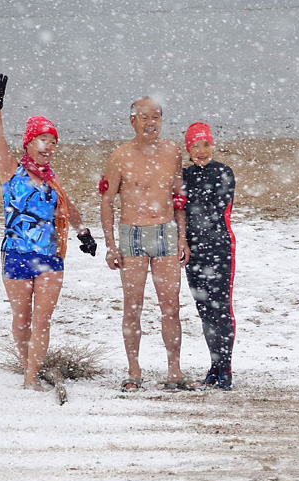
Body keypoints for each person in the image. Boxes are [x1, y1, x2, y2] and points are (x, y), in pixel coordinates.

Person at [0, 73, 97, 391]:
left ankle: (32, 376)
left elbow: (68, 207)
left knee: (42, 320)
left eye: (53, 142)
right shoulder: (11, 171)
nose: (49, 146)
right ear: (29, 142)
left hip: (50, 257)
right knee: (21, 321)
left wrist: (83, 231)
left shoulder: (52, 180)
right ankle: (28, 367)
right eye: (43, 140)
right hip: (17, 255)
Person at [99, 97, 195, 391]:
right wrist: (110, 244)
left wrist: (182, 237)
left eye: (156, 116)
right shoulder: (119, 156)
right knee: (133, 306)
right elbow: (107, 201)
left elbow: (179, 197)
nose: (151, 122)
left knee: (171, 307)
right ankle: (133, 370)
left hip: (165, 231)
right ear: (133, 121)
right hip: (133, 235)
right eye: (144, 117)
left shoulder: (172, 152)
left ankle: (174, 371)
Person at [182, 122, 237, 390]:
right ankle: (214, 366)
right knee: (204, 310)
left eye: (205, 144)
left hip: (220, 248)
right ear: (188, 149)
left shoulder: (223, 172)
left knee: (221, 309)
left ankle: (225, 368)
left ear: (212, 145)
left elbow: (212, 210)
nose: (201, 151)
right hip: (193, 251)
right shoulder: (184, 175)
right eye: (195, 145)